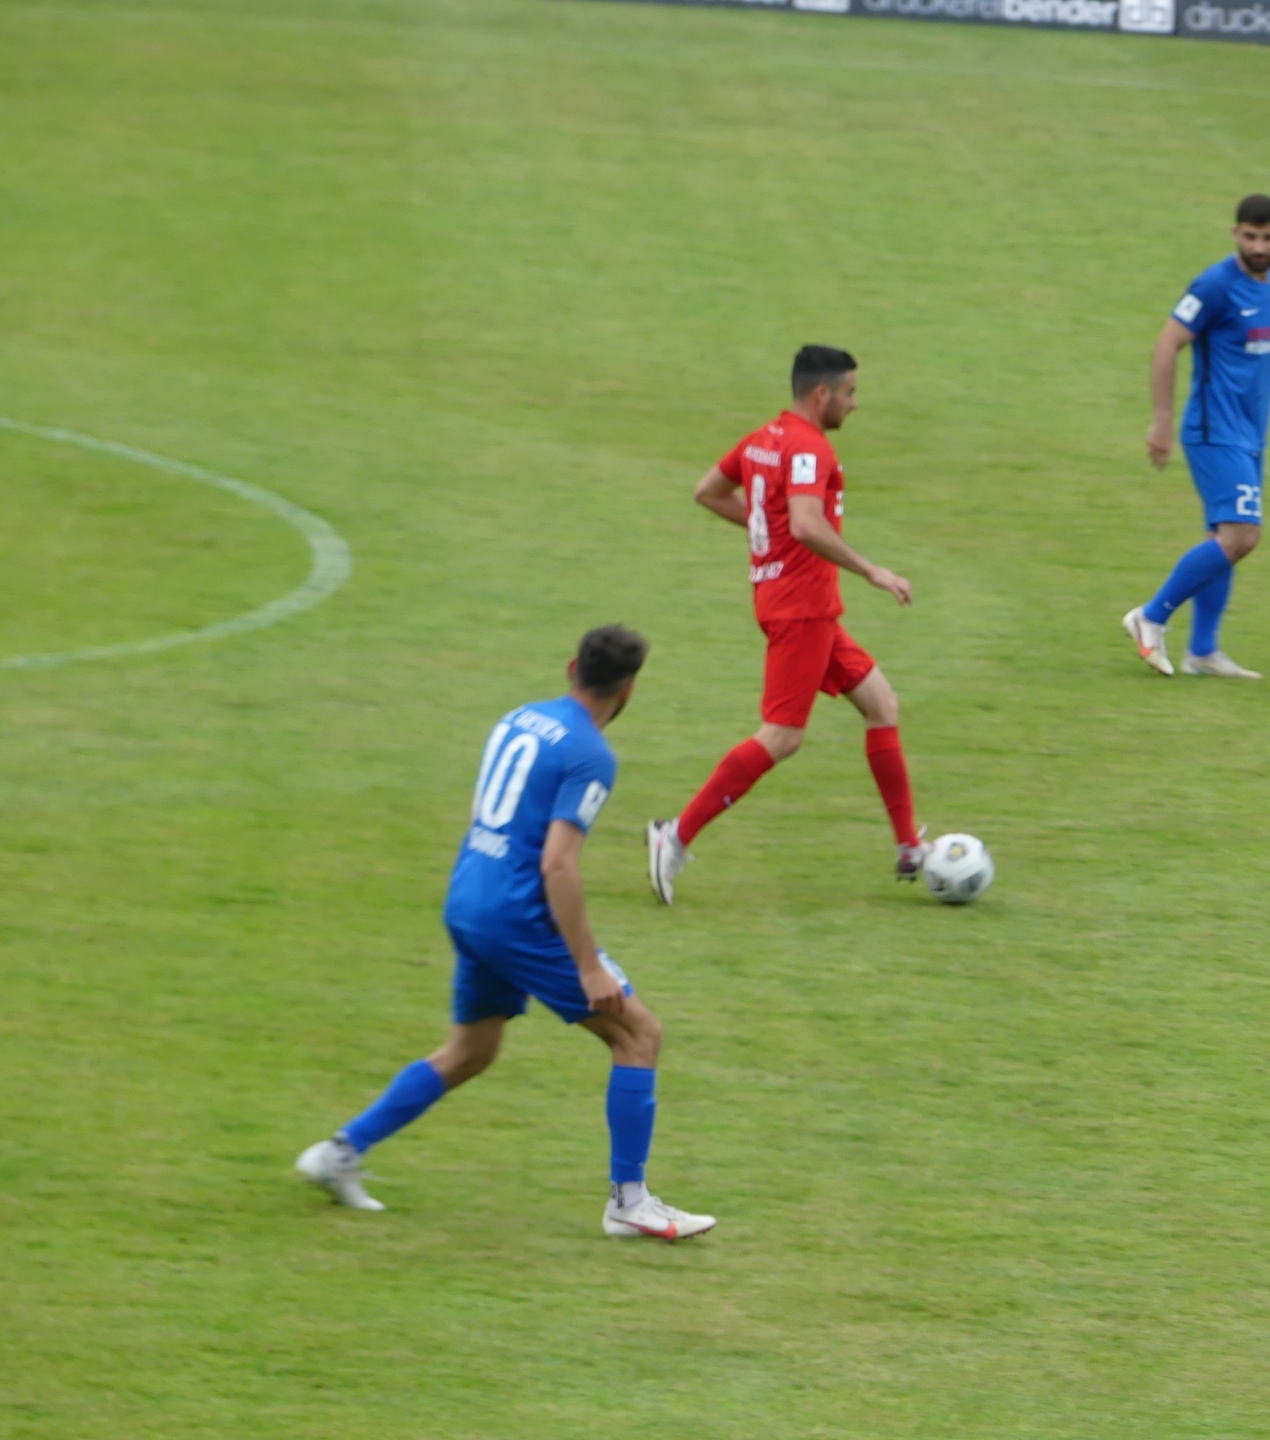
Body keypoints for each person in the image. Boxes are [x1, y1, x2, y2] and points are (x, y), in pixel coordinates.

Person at [296, 625, 716, 1241]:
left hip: (470, 898)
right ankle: (629, 1203)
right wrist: (588, 967)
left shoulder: (519, 718)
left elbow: (484, 815)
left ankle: (340, 1151)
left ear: (571, 667)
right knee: (639, 1034)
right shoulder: (590, 755)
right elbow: (557, 864)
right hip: (518, 915)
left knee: (471, 1051)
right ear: (628, 689)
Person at [647, 345, 927, 905]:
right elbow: (805, 523)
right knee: (782, 735)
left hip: (797, 603)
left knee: (881, 704)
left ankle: (907, 846)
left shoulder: (763, 439)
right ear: (822, 394)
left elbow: (708, 492)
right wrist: (871, 570)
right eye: (849, 393)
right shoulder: (809, 448)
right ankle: (673, 837)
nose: (854, 404)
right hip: (801, 608)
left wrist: (767, 532)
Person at [1124, 194, 1270, 680]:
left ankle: (1202, 651)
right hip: (1213, 432)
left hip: (1250, 433)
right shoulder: (1215, 285)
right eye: (1250, 237)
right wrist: (1161, 420)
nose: (1259, 247)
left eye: (1268, 238)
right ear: (1235, 233)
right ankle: (1150, 617)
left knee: (1223, 540)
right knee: (1242, 536)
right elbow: (1167, 342)